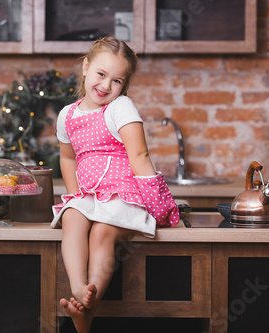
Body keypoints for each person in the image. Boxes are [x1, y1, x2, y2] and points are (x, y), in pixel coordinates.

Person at [51, 36, 180, 333]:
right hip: (89, 195)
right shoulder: (67, 115)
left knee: (101, 233)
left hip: (123, 194)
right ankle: (79, 287)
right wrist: (73, 196)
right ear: (86, 67)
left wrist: (157, 203)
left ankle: (85, 307)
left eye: (117, 80)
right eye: (101, 74)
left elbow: (139, 154)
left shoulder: (120, 107)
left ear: (124, 85)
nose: (106, 85)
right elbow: (68, 158)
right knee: (71, 217)